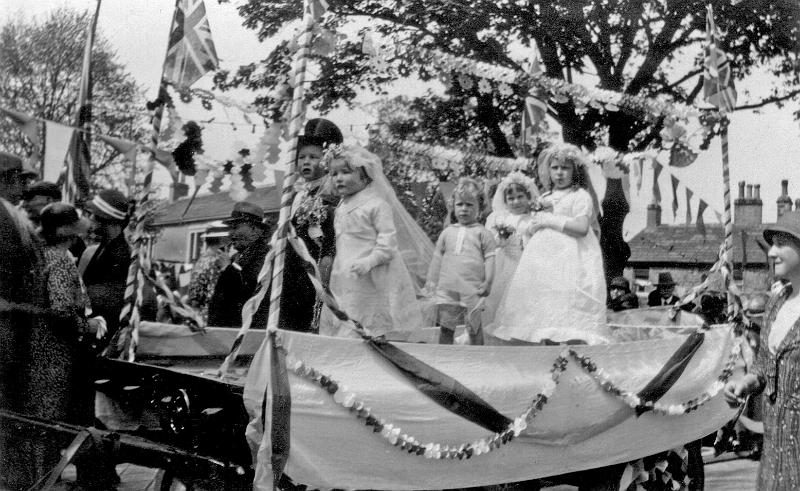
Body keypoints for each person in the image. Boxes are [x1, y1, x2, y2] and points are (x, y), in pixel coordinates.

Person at [493, 143, 609, 344]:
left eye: (565, 168)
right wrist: (532, 227)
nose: (560, 173)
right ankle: (546, 351)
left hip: (570, 257)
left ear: (575, 171)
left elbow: (581, 228)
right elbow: (535, 225)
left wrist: (552, 220)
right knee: (543, 306)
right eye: (555, 168)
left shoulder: (579, 196)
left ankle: (570, 352)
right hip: (543, 260)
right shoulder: (545, 197)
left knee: (567, 305)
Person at [33, 203, 113, 488]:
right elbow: (61, 310)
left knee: (40, 423)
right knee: (52, 423)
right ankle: (45, 482)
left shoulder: (38, 255)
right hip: (56, 354)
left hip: (38, 352)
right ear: (69, 231)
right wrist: (87, 326)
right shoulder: (61, 260)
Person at [724, 210, 800, 490]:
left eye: (781, 243)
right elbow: (766, 365)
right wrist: (747, 382)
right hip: (774, 455)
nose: (771, 252)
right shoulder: (777, 301)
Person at [319, 144, 423, 338]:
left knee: (370, 323)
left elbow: (388, 244)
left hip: (372, 274)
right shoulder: (341, 206)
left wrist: (369, 261)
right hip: (345, 273)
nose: (338, 178)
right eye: (334, 174)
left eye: (345, 172)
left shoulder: (376, 205)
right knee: (346, 317)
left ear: (364, 176)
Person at [0, 151, 47, 490]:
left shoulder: (12, 216)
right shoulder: (5, 217)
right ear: (7, 180)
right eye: (22, 182)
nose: (25, 190)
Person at [280, 118, 342, 332]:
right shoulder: (298, 195)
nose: (306, 162)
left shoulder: (332, 196)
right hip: (292, 270)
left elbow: (331, 242)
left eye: (313, 157)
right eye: (302, 157)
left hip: (315, 272)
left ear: (326, 161)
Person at [426, 177, 496, 345]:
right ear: (453, 206)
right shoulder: (447, 232)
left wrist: (488, 281)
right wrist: (431, 280)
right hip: (447, 287)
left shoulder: (483, 233)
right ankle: (445, 357)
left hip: (472, 287)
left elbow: (490, 259)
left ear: (480, 207)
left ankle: (477, 359)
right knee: (446, 326)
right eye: (460, 204)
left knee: (473, 326)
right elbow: (437, 258)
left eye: (470, 205)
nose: (464, 209)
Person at [483, 171, 537, 327]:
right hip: (503, 264)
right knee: (499, 298)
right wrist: (499, 239)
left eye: (520, 197)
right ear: (505, 201)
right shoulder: (498, 218)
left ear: (529, 197)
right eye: (511, 198)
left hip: (526, 264)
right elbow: (489, 242)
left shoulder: (532, 219)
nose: (516, 201)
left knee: (522, 300)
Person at [207, 202, 271, 327]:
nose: (230, 234)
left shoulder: (265, 256)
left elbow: (249, 292)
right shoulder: (235, 258)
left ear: (254, 229)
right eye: (230, 228)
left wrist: (227, 269)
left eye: (235, 227)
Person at [80, 189, 132, 340]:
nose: (89, 218)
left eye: (92, 214)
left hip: (105, 337)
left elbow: (106, 300)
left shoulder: (121, 256)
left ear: (104, 219)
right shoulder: (104, 248)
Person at [187, 232, 230, 319]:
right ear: (222, 241)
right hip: (211, 314)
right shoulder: (217, 261)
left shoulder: (201, 260)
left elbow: (195, 295)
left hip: (198, 313)